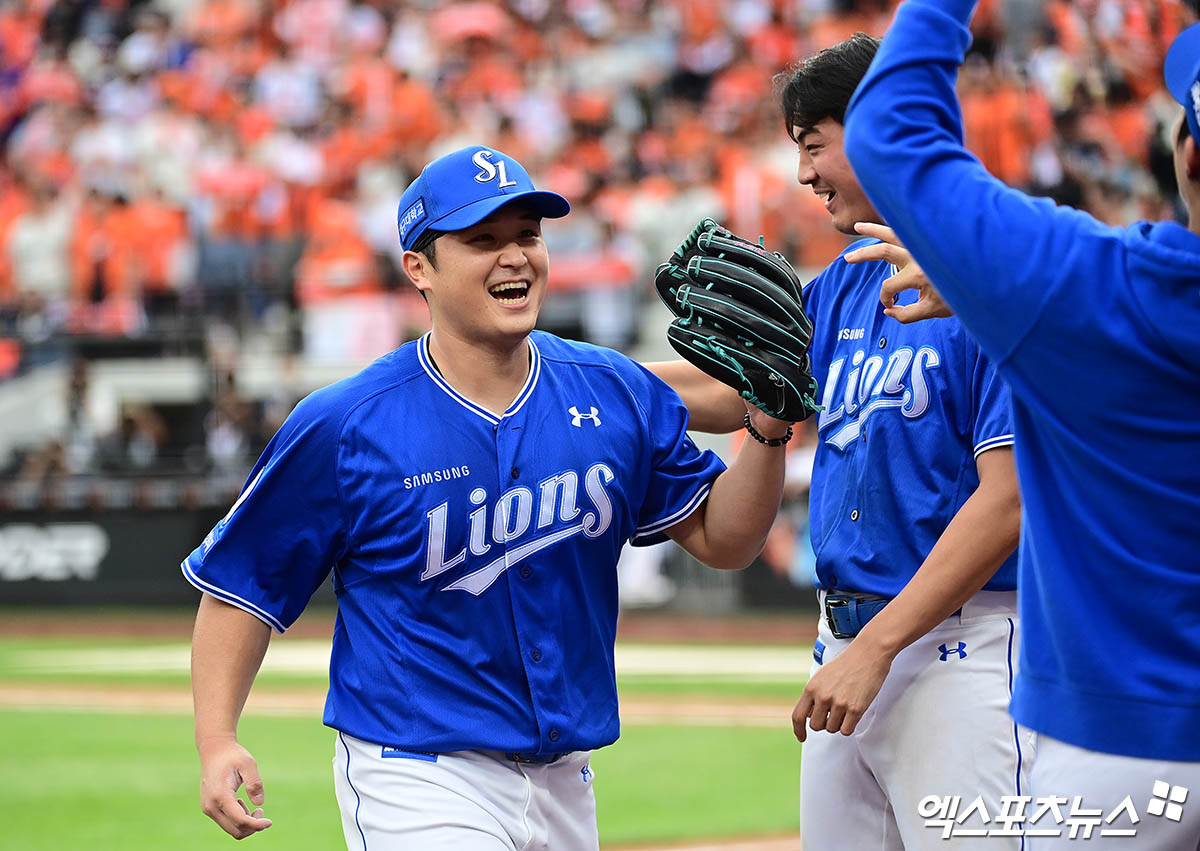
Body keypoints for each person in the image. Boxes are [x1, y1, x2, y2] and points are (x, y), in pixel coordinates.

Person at [183, 144, 794, 849]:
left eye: (527, 235)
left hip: (567, 776)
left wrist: (768, 429)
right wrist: (216, 738)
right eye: (483, 241)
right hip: (416, 770)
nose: (515, 257)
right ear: (420, 268)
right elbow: (240, 585)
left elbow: (727, 540)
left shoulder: (610, 389)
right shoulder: (346, 423)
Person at [651, 34, 1028, 850]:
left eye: (815, 144)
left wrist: (881, 646)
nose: (802, 173)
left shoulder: (995, 271)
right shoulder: (848, 279)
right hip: (845, 648)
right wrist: (564, 376)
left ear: (881, 127)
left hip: (962, 650)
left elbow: (1010, 501)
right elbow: (739, 386)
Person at [845, 5, 1200, 847]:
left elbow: (888, 128)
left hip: (1123, 743)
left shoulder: (1094, 289)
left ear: (1188, 151)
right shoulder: (1088, 290)